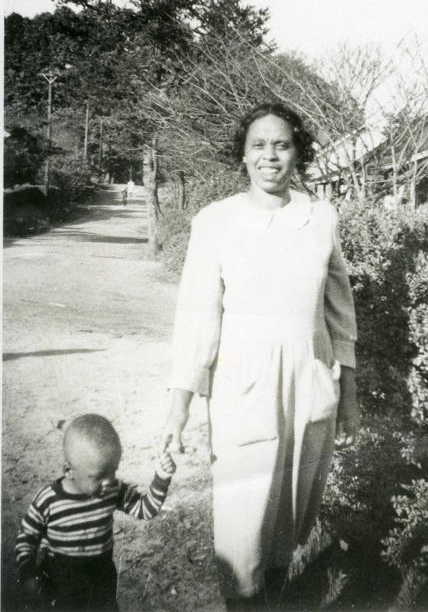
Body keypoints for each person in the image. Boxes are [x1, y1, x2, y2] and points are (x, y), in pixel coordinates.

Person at [160, 102, 359, 612]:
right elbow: (197, 317)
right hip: (243, 384)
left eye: (282, 144)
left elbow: (339, 310)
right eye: (258, 145)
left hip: (310, 380)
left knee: (293, 507)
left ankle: (274, 594)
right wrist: (179, 407)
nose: (270, 155)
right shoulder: (216, 221)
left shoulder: (320, 218)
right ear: (243, 155)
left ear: (298, 153)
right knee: (244, 511)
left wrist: (350, 392)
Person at [16, 414, 176, 611]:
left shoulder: (112, 490)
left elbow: (145, 509)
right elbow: (27, 537)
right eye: (99, 476)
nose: (109, 481)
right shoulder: (49, 499)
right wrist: (27, 572)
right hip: (61, 585)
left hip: (101, 581)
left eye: (114, 471)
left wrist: (162, 477)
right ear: (69, 471)